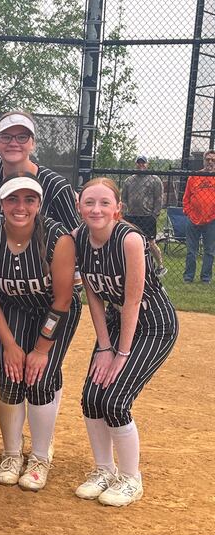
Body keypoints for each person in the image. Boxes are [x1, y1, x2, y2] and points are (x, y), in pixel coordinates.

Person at [75, 178, 178, 507]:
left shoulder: (130, 240)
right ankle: (104, 469)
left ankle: (131, 478)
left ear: (117, 209)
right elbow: (93, 296)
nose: (96, 209)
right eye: (89, 202)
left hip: (152, 324)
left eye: (105, 203)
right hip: (116, 325)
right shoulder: (78, 239)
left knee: (115, 401)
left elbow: (132, 302)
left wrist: (121, 354)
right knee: (92, 397)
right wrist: (104, 347)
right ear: (79, 207)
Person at [0, 173, 80, 491]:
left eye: (29, 200)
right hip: (12, 309)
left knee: (39, 378)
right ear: (1, 203)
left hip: (54, 312)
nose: (20, 207)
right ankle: (11, 454)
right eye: (12, 199)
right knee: (9, 378)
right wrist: (9, 344)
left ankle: (39, 456)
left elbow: (62, 299)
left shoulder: (56, 238)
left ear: (39, 204)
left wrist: (41, 349)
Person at [0, 111, 79, 230]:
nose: (13, 143)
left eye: (22, 137)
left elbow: (73, 236)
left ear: (33, 144)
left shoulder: (57, 187)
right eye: (6, 137)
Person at [122, 155, 166, 276]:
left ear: (147, 164)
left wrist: (154, 214)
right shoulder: (129, 180)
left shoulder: (154, 179)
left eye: (143, 163)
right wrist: (124, 213)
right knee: (129, 241)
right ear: (135, 164)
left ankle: (160, 266)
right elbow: (124, 198)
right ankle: (130, 265)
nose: (141, 165)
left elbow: (159, 199)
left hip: (147, 216)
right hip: (131, 216)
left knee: (150, 242)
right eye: (139, 163)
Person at [182, 149, 215, 283]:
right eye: (208, 160)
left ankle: (205, 278)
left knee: (209, 251)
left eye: (213, 160)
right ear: (203, 161)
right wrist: (188, 213)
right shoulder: (194, 177)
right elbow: (186, 198)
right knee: (191, 251)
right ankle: (188, 277)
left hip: (211, 220)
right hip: (193, 219)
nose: (210, 162)